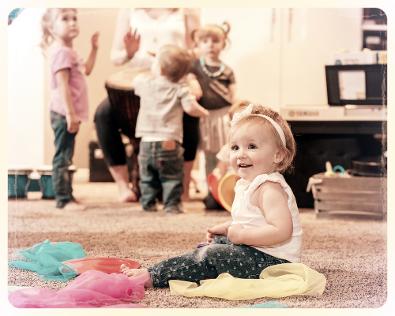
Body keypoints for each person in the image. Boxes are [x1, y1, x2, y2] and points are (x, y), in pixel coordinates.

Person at [120, 103, 302, 288]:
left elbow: (281, 231)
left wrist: (242, 236)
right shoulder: (248, 184)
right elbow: (254, 220)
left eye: (252, 146)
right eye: (235, 147)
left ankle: (154, 275)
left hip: (274, 264)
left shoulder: (270, 188)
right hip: (260, 253)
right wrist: (228, 227)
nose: (241, 154)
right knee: (218, 242)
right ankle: (193, 264)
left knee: (213, 255)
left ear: (278, 155)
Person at [94, 8, 200, 203]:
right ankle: (123, 186)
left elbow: (197, 52)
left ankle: (183, 186)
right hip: (139, 78)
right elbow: (116, 57)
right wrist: (129, 53)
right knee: (103, 114)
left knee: (191, 113)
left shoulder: (187, 11)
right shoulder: (129, 10)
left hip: (174, 77)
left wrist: (175, 57)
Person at [133, 45, 209, 214]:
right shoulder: (181, 88)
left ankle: (148, 203)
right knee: (172, 177)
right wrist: (203, 112)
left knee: (147, 177)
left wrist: (155, 66)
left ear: (158, 67)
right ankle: (172, 206)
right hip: (169, 141)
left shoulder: (144, 83)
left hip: (146, 141)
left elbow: (136, 79)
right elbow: (191, 108)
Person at [41, 8, 99, 210]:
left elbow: (88, 70)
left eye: (74, 18)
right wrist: (70, 114)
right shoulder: (62, 53)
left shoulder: (70, 52)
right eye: (65, 19)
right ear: (51, 27)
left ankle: (68, 195)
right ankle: (63, 200)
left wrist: (94, 49)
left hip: (68, 113)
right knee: (62, 157)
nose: (72, 22)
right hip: (64, 113)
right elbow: (63, 85)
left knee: (66, 155)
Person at [182, 22, 237, 202]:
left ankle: (220, 188)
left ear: (224, 44)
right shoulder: (195, 67)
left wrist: (234, 111)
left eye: (215, 41)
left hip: (222, 115)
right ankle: (208, 187)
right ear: (198, 44)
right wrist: (192, 82)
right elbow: (189, 78)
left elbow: (233, 95)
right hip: (202, 115)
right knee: (205, 152)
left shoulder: (227, 71)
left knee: (221, 152)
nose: (210, 45)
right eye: (204, 41)